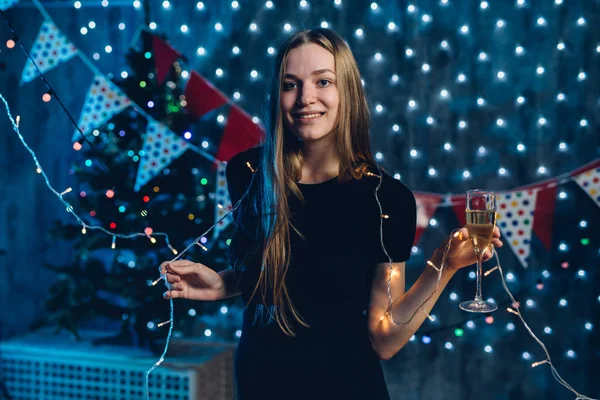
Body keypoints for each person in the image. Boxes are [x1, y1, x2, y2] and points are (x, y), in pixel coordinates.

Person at [159, 28, 503, 400]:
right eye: (291, 84)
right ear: (278, 95)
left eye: (323, 81)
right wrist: (225, 283)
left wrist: (444, 265)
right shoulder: (248, 173)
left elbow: (384, 339)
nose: (306, 98)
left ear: (347, 93)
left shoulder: (386, 200)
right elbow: (288, 272)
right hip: (261, 384)